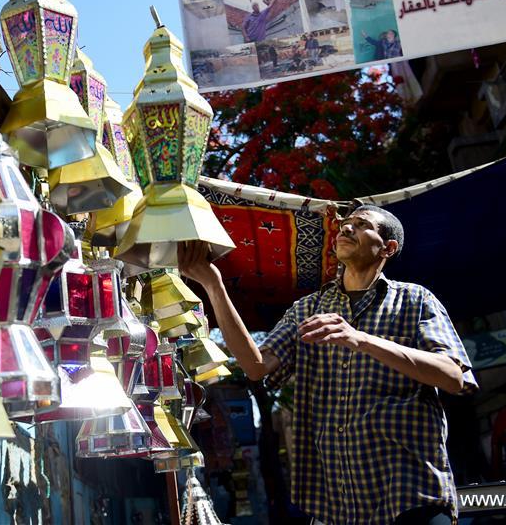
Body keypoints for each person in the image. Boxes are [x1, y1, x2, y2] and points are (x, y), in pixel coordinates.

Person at [178, 205, 478, 524]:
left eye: (362, 225)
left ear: (388, 248)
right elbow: (256, 366)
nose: (346, 229)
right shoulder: (308, 309)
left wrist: (361, 339)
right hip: (338, 507)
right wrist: (214, 286)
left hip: (411, 498)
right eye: (345, 224)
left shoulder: (415, 300)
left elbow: (453, 376)